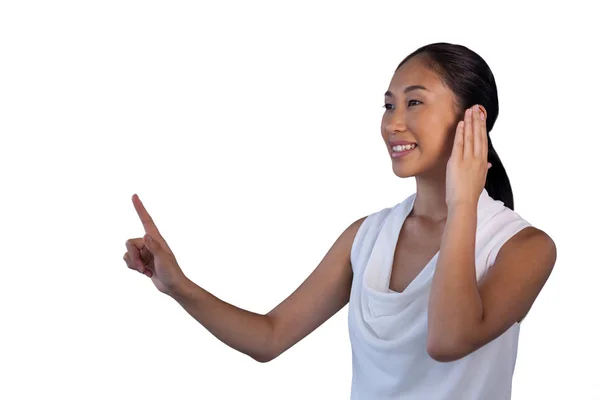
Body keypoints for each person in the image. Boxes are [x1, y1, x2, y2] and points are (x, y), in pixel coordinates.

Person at [123, 42, 556, 399]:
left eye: (414, 102)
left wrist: (463, 205)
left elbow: (447, 341)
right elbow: (270, 337)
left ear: (473, 119)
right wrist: (178, 286)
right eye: (388, 105)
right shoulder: (366, 237)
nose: (394, 123)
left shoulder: (524, 247)